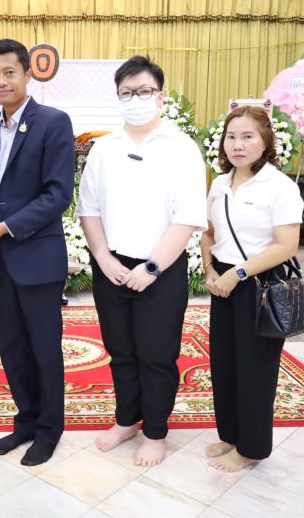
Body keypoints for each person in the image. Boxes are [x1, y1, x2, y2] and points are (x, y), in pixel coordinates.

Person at [75, 55, 208, 467]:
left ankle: (154, 431)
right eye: (127, 93)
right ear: (118, 97)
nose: (135, 99)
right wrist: (102, 257)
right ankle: (125, 420)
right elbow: (88, 209)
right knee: (121, 351)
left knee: (156, 353)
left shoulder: (181, 148)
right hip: (112, 266)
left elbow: (187, 216)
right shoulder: (105, 148)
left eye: (143, 92)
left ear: (160, 96)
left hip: (160, 270)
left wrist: (151, 268)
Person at [0, 38, 75, 466]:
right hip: (2, 259)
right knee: (12, 346)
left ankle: (50, 429)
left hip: (36, 256)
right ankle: (26, 420)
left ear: (28, 74)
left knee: (44, 347)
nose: (1, 81)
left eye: (9, 72)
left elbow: (57, 195)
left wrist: (4, 227)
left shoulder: (53, 122)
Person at [200, 105, 304, 472]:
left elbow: (286, 245)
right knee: (224, 363)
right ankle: (231, 435)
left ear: (265, 142)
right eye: (231, 136)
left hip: (259, 284)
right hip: (223, 282)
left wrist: (237, 274)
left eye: (248, 137)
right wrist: (210, 268)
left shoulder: (280, 186)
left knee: (255, 369)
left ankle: (252, 448)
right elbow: (209, 231)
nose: (237, 145)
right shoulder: (219, 182)